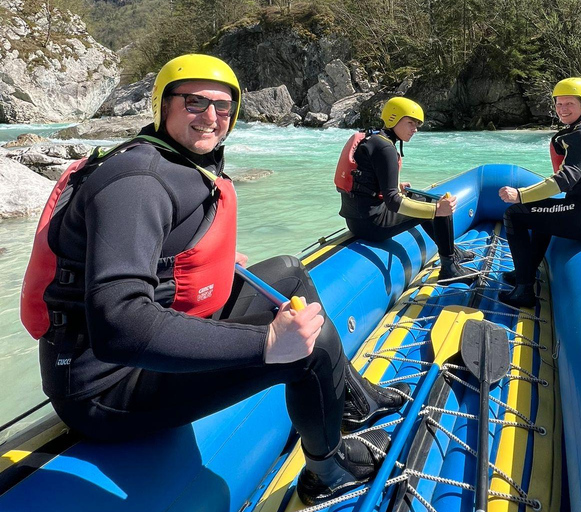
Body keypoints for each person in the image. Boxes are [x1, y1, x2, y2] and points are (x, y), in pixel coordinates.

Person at [19, 54, 408, 506]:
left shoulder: (170, 160)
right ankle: (329, 470)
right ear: (162, 106)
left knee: (288, 270)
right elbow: (119, 324)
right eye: (194, 102)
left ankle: (353, 401)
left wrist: (206, 261)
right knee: (310, 345)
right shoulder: (139, 181)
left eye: (223, 107)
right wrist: (265, 345)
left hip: (149, 335)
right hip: (105, 387)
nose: (211, 117)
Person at [498, 77, 581, 307]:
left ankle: (523, 290)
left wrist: (520, 195)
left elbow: (567, 178)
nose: (562, 109)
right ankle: (527, 271)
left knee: (515, 213)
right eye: (559, 104)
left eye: (569, 103)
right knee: (542, 210)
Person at [336, 96, 474, 283]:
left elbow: (366, 180)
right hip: (371, 224)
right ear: (393, 118)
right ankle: (449, 268)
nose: (415, 129)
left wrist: (393, 186)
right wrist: (436, 210)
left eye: (417, 124)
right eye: (410, 123)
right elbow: (393, 201)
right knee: (436, 205)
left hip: (357, 219)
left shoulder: (374, 138)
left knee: (419, 197)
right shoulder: (385, 147)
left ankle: (453, 252)